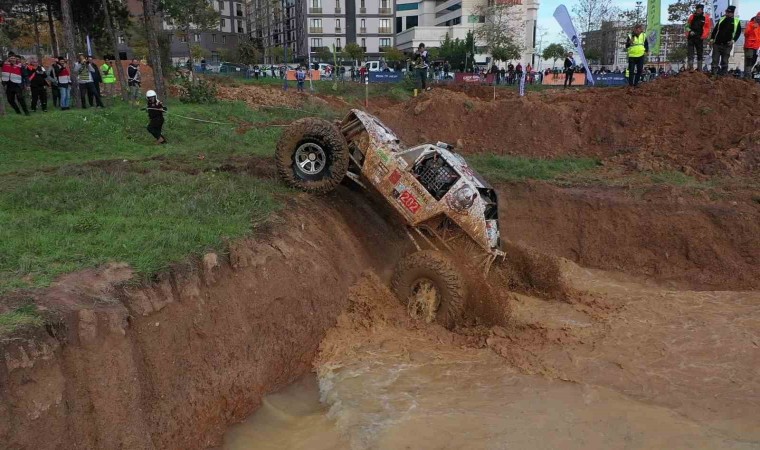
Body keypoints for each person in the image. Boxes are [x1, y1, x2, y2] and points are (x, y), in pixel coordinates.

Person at [710, 5, 741, 75]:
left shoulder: (736, 21)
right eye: (726, 12)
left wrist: (733, 41)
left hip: (727, 44)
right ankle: (713, 74)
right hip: (717, 43)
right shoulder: (722, 19)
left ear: (732, 13)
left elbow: (738, 33)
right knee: (715, 60)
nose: (727, 13)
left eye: (729, 12)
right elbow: (715, 30)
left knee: (724, 60)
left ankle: (723, 75)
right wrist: (712, 38)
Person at [685, 4, 713, 71]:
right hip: (691, 37)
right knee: (690, 52)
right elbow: (686, 26)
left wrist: (704, 36)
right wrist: (690, 31)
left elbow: (708, 28)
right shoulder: (692, 17)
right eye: (697, 9)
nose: (698, 11)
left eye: (699, 10)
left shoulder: (706, 18)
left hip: (699, 38)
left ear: (702, 10)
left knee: (699, 52)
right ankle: (690, 67)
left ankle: (699, 68)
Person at [743, 12, 760, 79]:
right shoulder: (750, 24)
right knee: (748, 61)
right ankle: (747, 76)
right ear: (756, 17)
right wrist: (752, 28)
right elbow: (746, 34)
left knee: (753, 61)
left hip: (756, 47)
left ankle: (748, 75)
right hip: (749, 46)